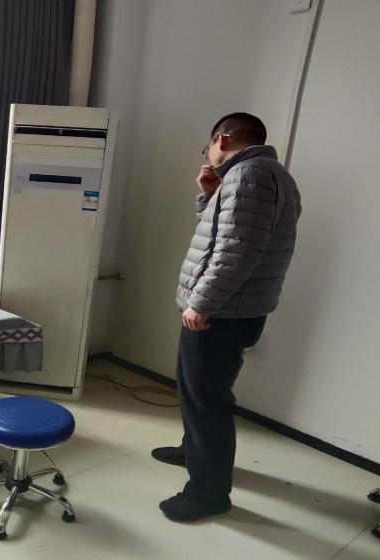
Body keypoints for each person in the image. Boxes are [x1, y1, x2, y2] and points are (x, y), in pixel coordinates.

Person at [155, 112, 302, 522]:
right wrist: (209, 195)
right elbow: (224, 234)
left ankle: (208, 494)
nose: (209, 155)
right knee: (198, 391)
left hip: (223, 312)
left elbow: (237, 250)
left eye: (209, 147)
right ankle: (192, 451)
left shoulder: (248, 175)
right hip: (237, 307)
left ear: (221, 139)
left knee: (207, 401)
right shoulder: (271, 175)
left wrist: (203, 303)